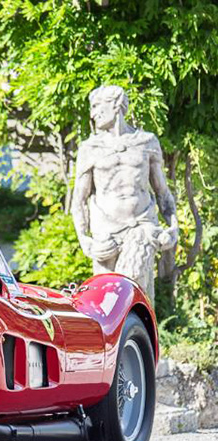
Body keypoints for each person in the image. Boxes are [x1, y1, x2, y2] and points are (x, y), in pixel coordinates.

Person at [72, 85, 178, 303]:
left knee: (134, 288)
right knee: (106, 302)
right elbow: (79, 200)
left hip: (141, 227)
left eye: (96, 106)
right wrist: (84, 239)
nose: (92, 114)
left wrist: (173, 226)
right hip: (105, 233)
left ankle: (140, 334)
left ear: (116, 104)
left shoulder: (146, 142)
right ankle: (125, 337)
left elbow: (162, 192)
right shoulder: (90, 148)